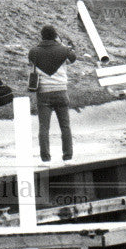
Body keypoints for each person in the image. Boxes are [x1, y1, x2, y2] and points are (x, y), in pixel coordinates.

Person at [28, 24, 76, 164]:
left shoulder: (34, 52)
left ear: (42, 36)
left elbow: (32, 67)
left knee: (44, 127)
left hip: (43, 92)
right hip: (61, 91)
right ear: (55, 35)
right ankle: (67, 157)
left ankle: (45, 158)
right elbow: (72, 58)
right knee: (65, 126)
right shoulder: (64, 50)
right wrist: (61, 44)